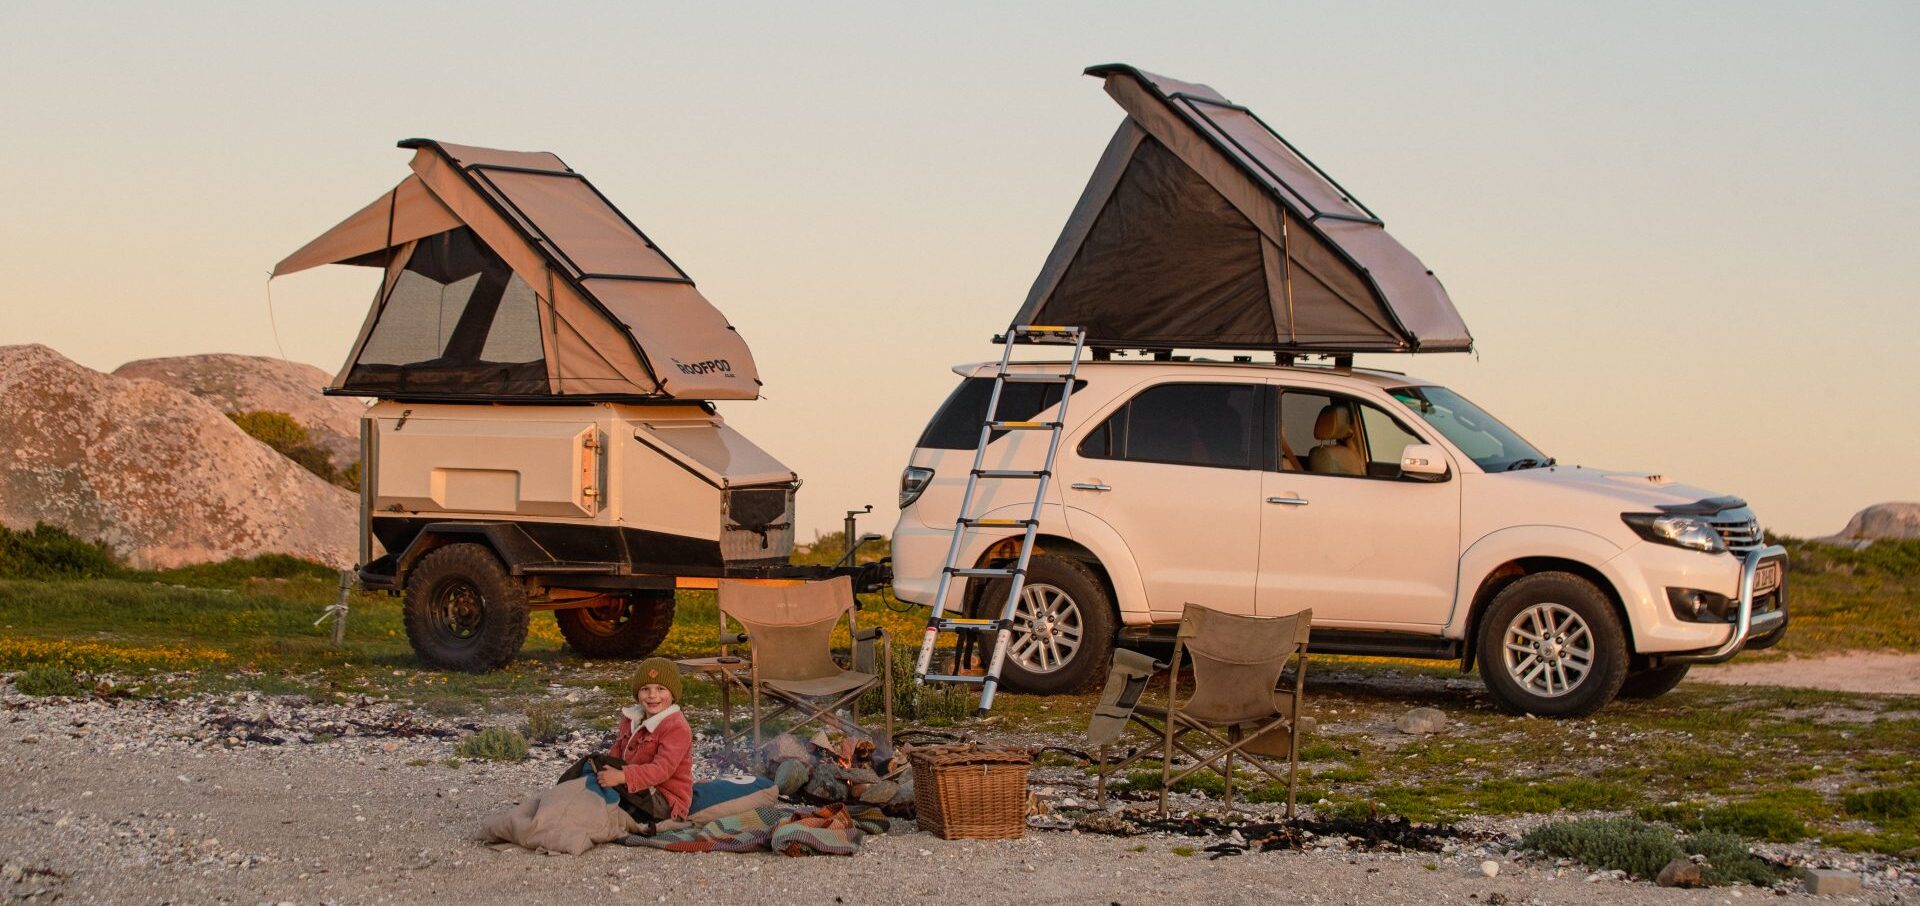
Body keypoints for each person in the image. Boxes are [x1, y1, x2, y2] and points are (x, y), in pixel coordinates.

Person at [558, 658, 694, 829]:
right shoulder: (631, 719)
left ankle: (584, 810)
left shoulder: (676, 727)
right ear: (637, 693)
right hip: (632, 787)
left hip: (662, 800)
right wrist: (605, 769)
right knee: (592, 764)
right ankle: (566, 797)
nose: (652, 695)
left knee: (599, 801)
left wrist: (621, 776)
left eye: (660, 689)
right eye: (645, 689)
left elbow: (661, 770)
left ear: (673, 694)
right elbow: (616, 751)